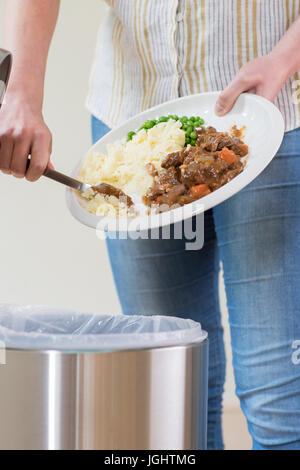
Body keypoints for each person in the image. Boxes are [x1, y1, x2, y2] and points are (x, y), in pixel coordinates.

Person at [1, 0, 300, 450]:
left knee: (277, 399)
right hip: (132, 129)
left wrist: (286, 56)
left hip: (270, 113)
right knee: (169, 395)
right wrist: (19, 94)